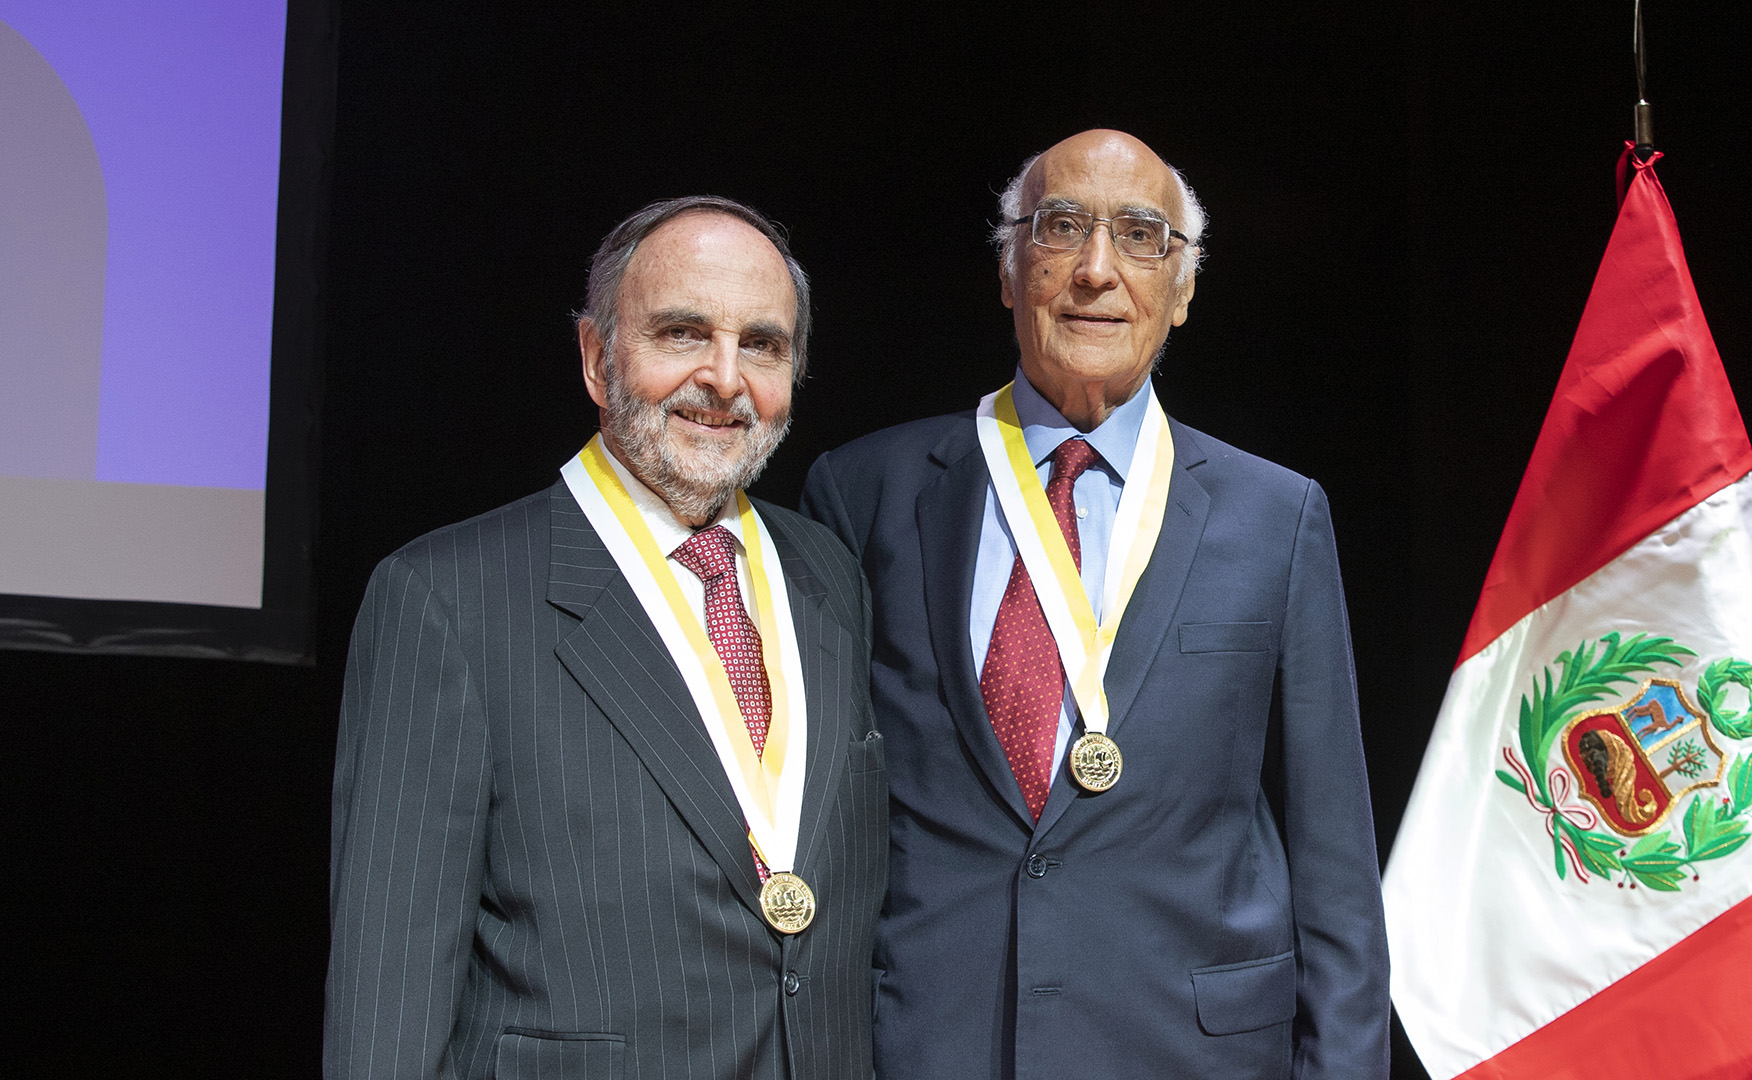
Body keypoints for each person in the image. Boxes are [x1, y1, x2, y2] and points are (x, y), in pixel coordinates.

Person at [801, 131, 1389, 1078]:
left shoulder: (1277, 517)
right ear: (1009, 270)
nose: (1096, 270)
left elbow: (1336, 864)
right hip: (932, 1043)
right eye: (1061, 228)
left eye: (1141, 236)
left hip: (1191, 1051)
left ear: (1184, 289)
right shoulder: (864, 491)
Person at [325, 197, 887, 1080]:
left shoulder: (829, 576)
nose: (725, 378)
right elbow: (386, 998)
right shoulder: (445, 598)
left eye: (763, 346)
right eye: (681, 334)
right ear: (596, 358)